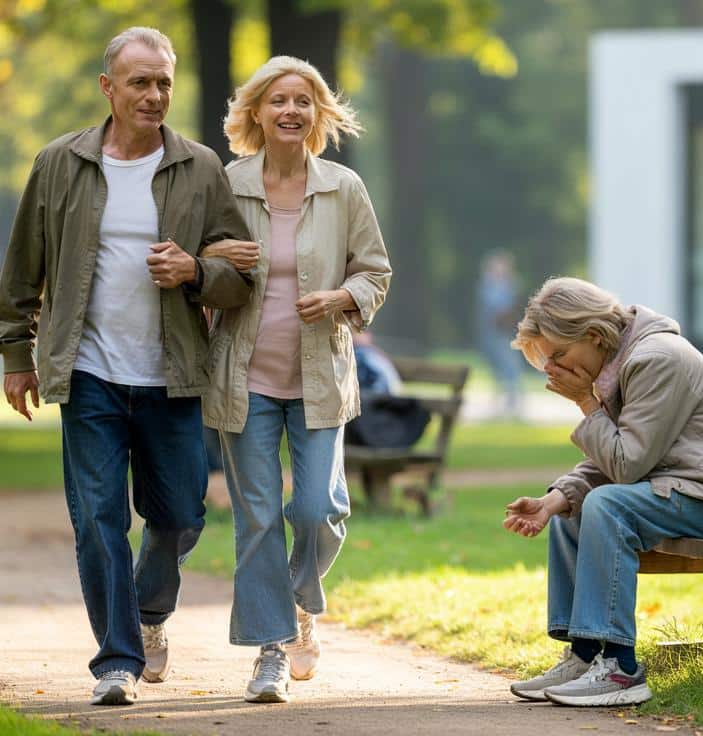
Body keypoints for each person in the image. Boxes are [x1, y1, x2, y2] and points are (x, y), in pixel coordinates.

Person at [0, 27, 252, 706]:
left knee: (182, 515)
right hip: (91, 374)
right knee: (98, 518)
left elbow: (238, 276)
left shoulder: (200, 168)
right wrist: (18, 354)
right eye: (140, 82)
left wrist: (196, 270)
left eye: (163, 82)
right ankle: (117, 661)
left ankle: (148, 611)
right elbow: (24, 268)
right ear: (109, 88)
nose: (154, 95)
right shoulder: (59, 163)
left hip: (173, 372)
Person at [199, 55, 391, 704]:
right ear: (255, 111)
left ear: (318, 115)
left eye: (303, 101)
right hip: (243, 378)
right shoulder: (226, 185)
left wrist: (341, 297)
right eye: (278, 100)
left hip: (319, 376)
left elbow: (375, 272)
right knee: (257, 519)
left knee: (317, 511)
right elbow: (195, 265)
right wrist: (217, 256)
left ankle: (300, 601)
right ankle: (271, 651)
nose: (290, 110)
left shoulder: (343, 188)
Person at [501, 277, 703, 707]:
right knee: (574, 511)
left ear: (591, 335)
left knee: (606, 504)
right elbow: (616, 454)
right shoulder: (619, 361)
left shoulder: (655, 360)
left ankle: (622, 670)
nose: (553, 369)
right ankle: (586, 655)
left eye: (559, 355)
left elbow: (626, 465)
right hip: (684, 489)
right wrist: (555, 501)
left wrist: (585, 404)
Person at [476, 251, 523, 418]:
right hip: (492, 332)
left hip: (506, 332)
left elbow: (511, 308)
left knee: (510, 365)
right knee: (496, 366)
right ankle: (499, 400)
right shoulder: (488, 285)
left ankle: (513, 400)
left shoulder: (510, 284)